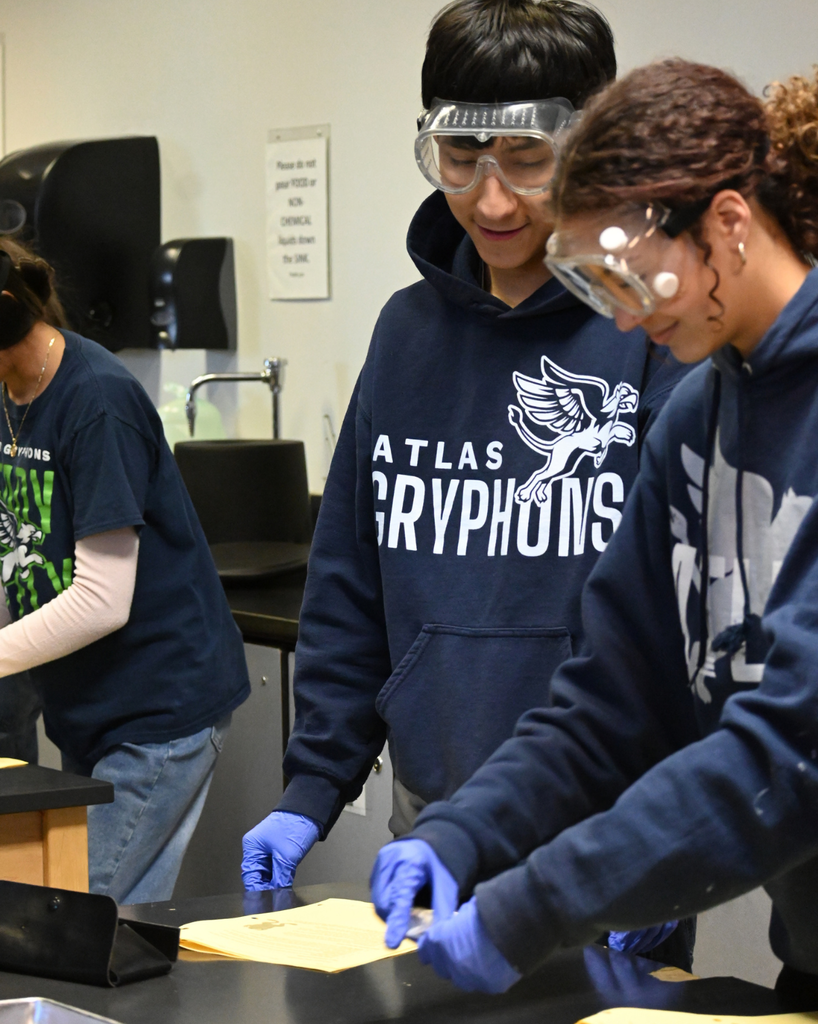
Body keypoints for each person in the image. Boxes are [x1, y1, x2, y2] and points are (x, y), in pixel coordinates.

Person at [242, 0, 690, 964]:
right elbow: (352, 586)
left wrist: (660, 847)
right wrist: (310, 791)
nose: (491, 201)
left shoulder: (659, 335)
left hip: (606, 829)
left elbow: (686, 622)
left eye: (528, 159)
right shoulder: (405, 336)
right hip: (431, 822)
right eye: (460, 158)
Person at [369, 58, 818, 1006]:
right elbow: (611, 699)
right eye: (588, 278)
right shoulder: (698, 417)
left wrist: (527, 909)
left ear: (727, 225)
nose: (618, 309)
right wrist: (462, 832)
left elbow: (788, 751)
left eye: (626, 269)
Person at [0, 236, 250, 905]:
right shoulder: (10, 392)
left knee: (86, 919)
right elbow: (17, 547)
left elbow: (101, 600)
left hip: (156, 712)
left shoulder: (97, 402)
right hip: (87, 707)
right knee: (78, 920)